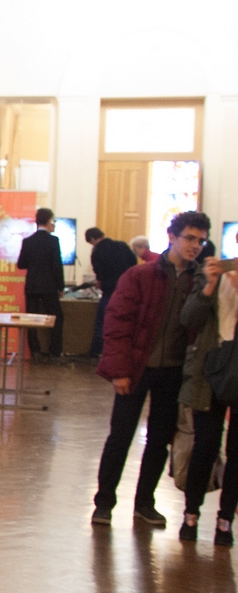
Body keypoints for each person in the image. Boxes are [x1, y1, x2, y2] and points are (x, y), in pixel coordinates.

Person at [92, 210, 212, 528]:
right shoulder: (140, 275)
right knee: (120, 436)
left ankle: (145, 503)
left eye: (201, 241)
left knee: (159, 440)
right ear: (171, 237)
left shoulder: (199, 280)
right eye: (190, 238)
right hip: (136, 368)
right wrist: (119, 370)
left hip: (173, 372)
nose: (195, 245)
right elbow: (118, 323)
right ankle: (104, 502)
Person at [177, 254, 238, 545]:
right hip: (209, 370)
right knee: (205, 447)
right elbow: (188, 319)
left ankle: (225, 520)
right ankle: (191, 514)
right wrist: (210, 286)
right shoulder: (211, 272)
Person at [17, 208, 65, 359]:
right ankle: (55, 351)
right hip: (49, 287)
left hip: (32, 286)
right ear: (49, 220)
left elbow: (21, 264)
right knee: (56, 318)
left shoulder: (28, 241)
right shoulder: (53, 241)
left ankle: (35, 350)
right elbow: (57, 266)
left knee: (31, 319)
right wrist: (61, 287)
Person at [86, 227, 137, 358]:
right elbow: (134, 263)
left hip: (109, 291)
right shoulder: (122, 245)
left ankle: (97, 351)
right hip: (127, 289)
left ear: (92, 239)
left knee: (102, 322)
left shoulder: (97, 252)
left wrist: (100, 282)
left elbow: (100, 274)